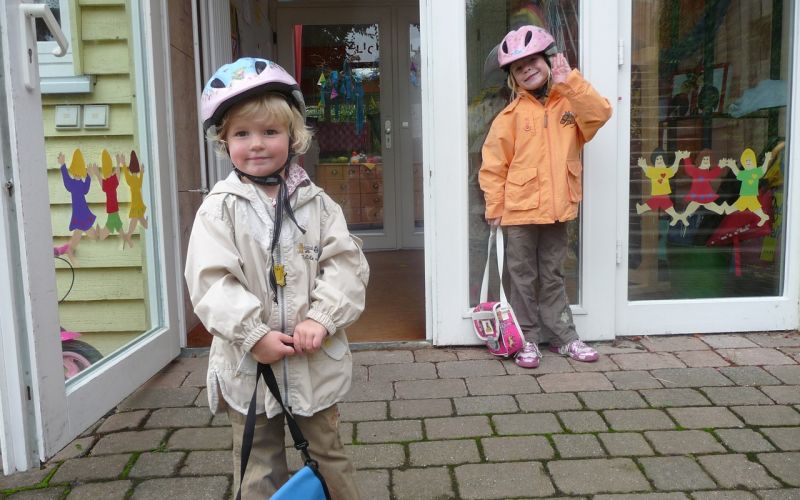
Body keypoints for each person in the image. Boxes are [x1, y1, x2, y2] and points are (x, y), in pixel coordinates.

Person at [184, 57, 368, 499]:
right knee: (257, 467)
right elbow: (211, 282)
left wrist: (322, 318)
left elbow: (345, 264)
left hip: (312, 363)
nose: (258, 144)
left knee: (328, 458)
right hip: (249, 369)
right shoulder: (219, 208)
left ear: (294, 136)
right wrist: (252, 334)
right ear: (223, 140)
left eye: (271, 132)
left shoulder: (318, 205)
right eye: (242, 134)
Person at [479, 26, 612, 369]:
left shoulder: (571, 102)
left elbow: (600, 114)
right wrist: (494, 206)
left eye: (533, 60)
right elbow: (493, 165)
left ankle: (564, 337)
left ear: (548, 61)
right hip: (519, 212)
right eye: (518, 67)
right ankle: (527, 338)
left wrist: (571, 81)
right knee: (521, 275)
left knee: (552, 273)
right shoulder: (509, 117)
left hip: (557, 208)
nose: (527, 69)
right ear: (512, 77)